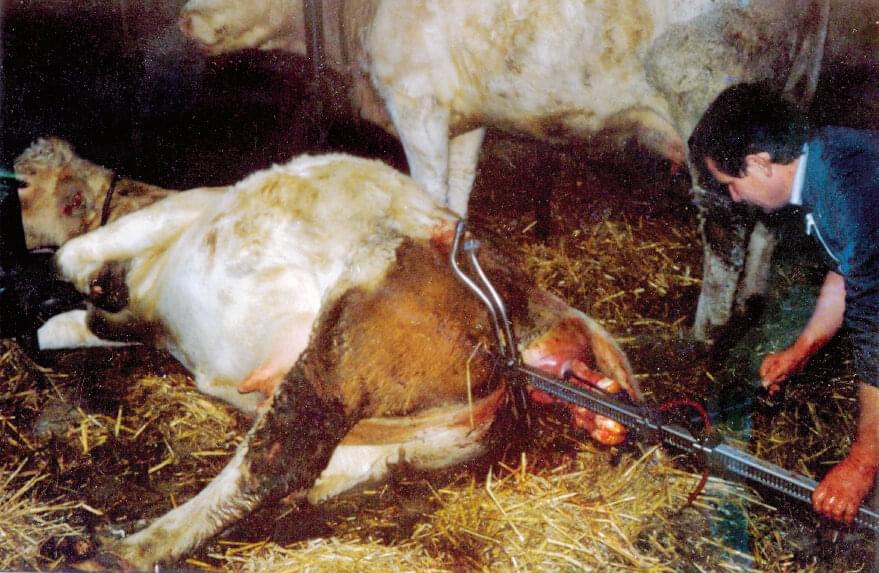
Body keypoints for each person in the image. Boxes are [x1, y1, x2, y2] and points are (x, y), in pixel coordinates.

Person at [688, 82, 879, 525]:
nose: (735, 197)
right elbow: (847, 271)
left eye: (732, 184)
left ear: (759, 162)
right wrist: (801, 350)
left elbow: (876, 331)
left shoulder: (843, 190)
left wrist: (862, 462)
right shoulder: (826, 163)